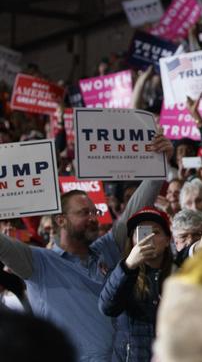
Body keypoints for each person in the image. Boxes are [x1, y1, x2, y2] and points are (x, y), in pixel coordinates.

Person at [0, 134, 172, 361]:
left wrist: (160, 163)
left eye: (95, 212)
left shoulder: (108, 248)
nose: (93, 218)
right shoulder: (38, 262)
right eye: (84, 213)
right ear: (61, 220)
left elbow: (136, 208)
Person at [99, 207, 174, 362]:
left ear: (168, 240)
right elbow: (107, 307)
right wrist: (128, 267)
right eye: (141, 233)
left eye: (156, 232)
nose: (149, 238)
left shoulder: (179, 271)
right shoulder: (121, 272)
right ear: (132, 240)